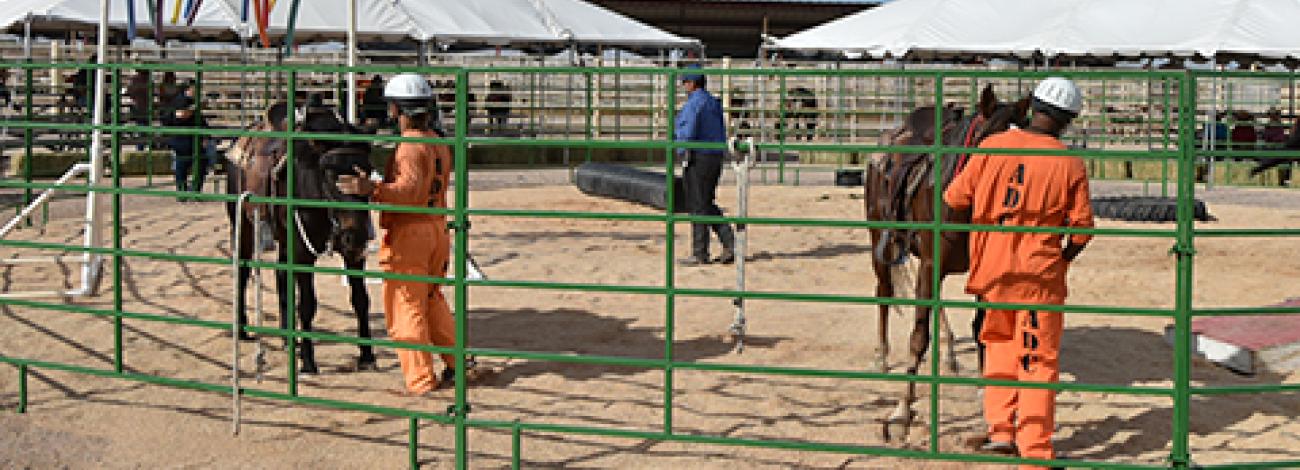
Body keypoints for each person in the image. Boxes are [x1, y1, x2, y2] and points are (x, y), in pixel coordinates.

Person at [945, 77, 1094, 470]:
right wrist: (1062, 259)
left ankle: (1001, 431)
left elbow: (954, 197)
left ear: (1033, 108)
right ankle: (1036, 451)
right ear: (1068, 121)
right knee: (1036, 360)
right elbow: (1082, 230)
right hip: (1038, 278)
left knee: (998, 346)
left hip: (992, 272)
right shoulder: (1069, 163)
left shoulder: (991, 147)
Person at [335, 73, 459, 396]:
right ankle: (457, 361)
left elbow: (408, 192)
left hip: (410, 234)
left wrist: (371, 189)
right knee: (431, 299)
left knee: (406, 307)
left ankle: (420, 380)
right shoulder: (438, 143)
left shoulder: (409, 148)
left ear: (396, 109)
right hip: (436, 227)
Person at [675, 65, 736, 266]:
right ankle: (729, 242)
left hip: (699, 156)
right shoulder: (712, 102)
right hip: (714, 156)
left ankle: (700, 252)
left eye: (685, 82)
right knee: (706, 201)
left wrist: (679, 148)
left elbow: (688, 130)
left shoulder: (694, 104)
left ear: (692, 84)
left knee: (697, 204)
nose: (684, 85)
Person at [160, 88, 210, 200]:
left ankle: (194, 191)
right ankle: (183, 192)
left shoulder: (192, 101)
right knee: (183, 165)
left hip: (193, 139)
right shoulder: (179, 100)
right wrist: (195, 107)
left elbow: (200, 120)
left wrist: (205, 135)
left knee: (200, 164)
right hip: (182, 139)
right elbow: (181, 115)